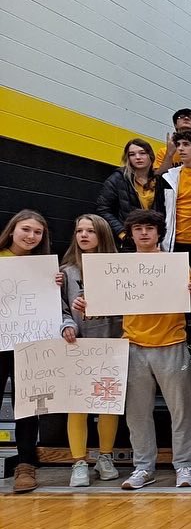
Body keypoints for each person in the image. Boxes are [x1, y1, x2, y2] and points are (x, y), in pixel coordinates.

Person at [117, 209, 191, 491]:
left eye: (149, 228)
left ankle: (184, 465)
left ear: (158, 233)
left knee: (180, 411)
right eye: (138, 228)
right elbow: (103, 304)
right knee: (137, 413)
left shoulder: (175, 264)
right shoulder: (119, 267)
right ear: (130, 234)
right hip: (133, 345)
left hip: (172, 342)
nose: (144, 233)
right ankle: (143, 468)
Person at [58, 215, 123, 487]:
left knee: (108, 403)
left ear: (103, 235)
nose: (83, 235)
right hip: (78, 345)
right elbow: (59, 308)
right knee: (78, 405)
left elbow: (129, 305)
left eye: (90, 231)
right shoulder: (66, 272)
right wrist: (67, 324)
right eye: (79, 231)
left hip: (111, 342)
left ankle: (105, 457)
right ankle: (79, 462)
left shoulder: (119, 268)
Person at [1, 210, 54, 492]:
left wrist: (55, 286)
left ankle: (25, 465)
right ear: (12, 230)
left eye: (37, 232)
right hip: (0, 340)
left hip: (29, 343)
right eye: (26, 229)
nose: (31, 236)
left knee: (28, 405)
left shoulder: (43, 267)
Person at [157, 129, 191, 362]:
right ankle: (180, 342)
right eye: (178, 144)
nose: (180, 148)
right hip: (175, 243)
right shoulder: (169, 177)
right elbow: (160, 212)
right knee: (178, 296)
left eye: (186, 144)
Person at [96, 139, 162, 250]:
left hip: (156, 240)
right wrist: (122, 233)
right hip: (128, 242)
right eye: (132, 154)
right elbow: (103, 209)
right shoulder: (118, 179)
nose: (137, 157)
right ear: (128, 158)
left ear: (150, 155)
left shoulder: (160, 181)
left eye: (142, 153)